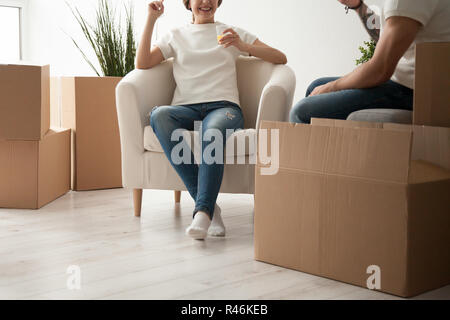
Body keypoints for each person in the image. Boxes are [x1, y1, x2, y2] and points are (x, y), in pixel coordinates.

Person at [136, 0, 287, 240]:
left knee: (212, 132)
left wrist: (242, 44)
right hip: (186, 109)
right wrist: (151, 19)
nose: (206, 2)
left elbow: (280, 57)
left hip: (224, 109)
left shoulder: (230, 33)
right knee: (159, 116)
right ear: (188, 3)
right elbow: (142, 62)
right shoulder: (175, 35)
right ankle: (208, 208)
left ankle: (202, 213)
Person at [290, 0, 450, 124]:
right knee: (316, 85)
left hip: (416, 93)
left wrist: (331, 87)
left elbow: (380, 69)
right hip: (408, 83)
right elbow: (383, 36)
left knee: (302, 112)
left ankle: (314, 166)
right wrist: (358, 6)